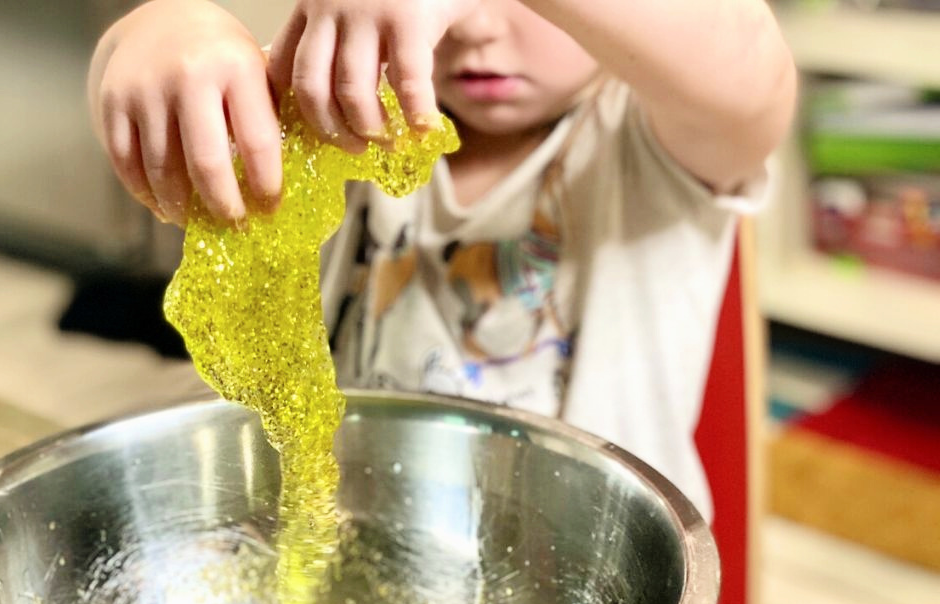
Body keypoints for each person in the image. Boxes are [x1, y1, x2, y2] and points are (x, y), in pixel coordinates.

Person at [87, 0, 796, 518]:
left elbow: (747, 69)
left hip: (582, 565)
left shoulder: (651, 147)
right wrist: (158, 30)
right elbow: (165, 84)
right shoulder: (346, 119)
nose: (477, 25)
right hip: (356, 533)